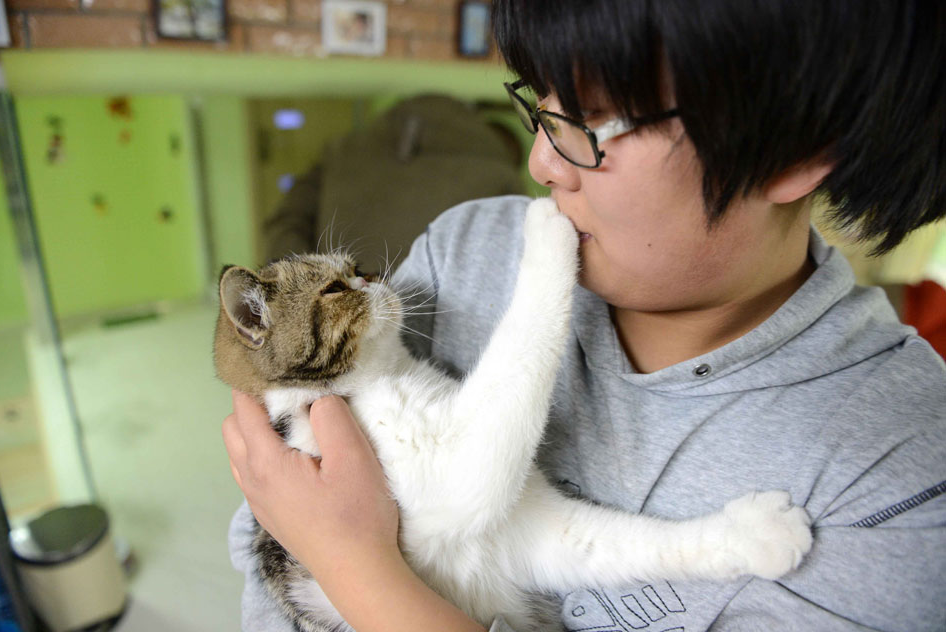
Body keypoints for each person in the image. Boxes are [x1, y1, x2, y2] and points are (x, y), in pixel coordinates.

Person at [221, 1, 946, 630]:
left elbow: (327, 533)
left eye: (593, 119)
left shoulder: (899, 468)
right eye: (540, 104)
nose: (540, 163)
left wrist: (359, 570)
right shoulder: (465, 249)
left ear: (795, 148)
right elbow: (274, 532)